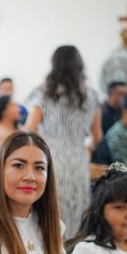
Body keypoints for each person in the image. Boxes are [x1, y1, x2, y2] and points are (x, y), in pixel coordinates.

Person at [25, 45, 102, 237]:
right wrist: (85, 146)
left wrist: (46, 145)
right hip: (78, 159)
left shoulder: (44, 93)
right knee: (77, 210)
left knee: (51, 211)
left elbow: (30, 129)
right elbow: (98, 137)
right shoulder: (91, 95)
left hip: (51, 158)